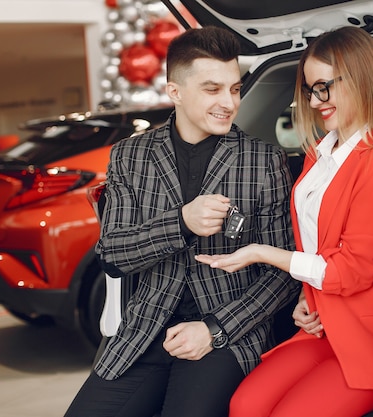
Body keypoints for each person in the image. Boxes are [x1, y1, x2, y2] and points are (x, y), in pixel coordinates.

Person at [65, 26, 300, 417]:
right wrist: (181, 222)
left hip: (228, 333)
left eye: (235, 89)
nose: (228, 102)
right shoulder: (130, 156)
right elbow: (113, 254)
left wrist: (214, 329)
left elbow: (282, 272)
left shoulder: (263, 160)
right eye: (213, 89)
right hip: (145, 329)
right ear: (175, 92)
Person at [196, 26, 373, 417]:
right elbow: (319, 248)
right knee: (245, 406)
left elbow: (352, 271)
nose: (316, 100)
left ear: (360, 79)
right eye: (309, 89)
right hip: (324, 323)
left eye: (324, 87)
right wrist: (308, 295)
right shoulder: (319, 157)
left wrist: (263, 253)